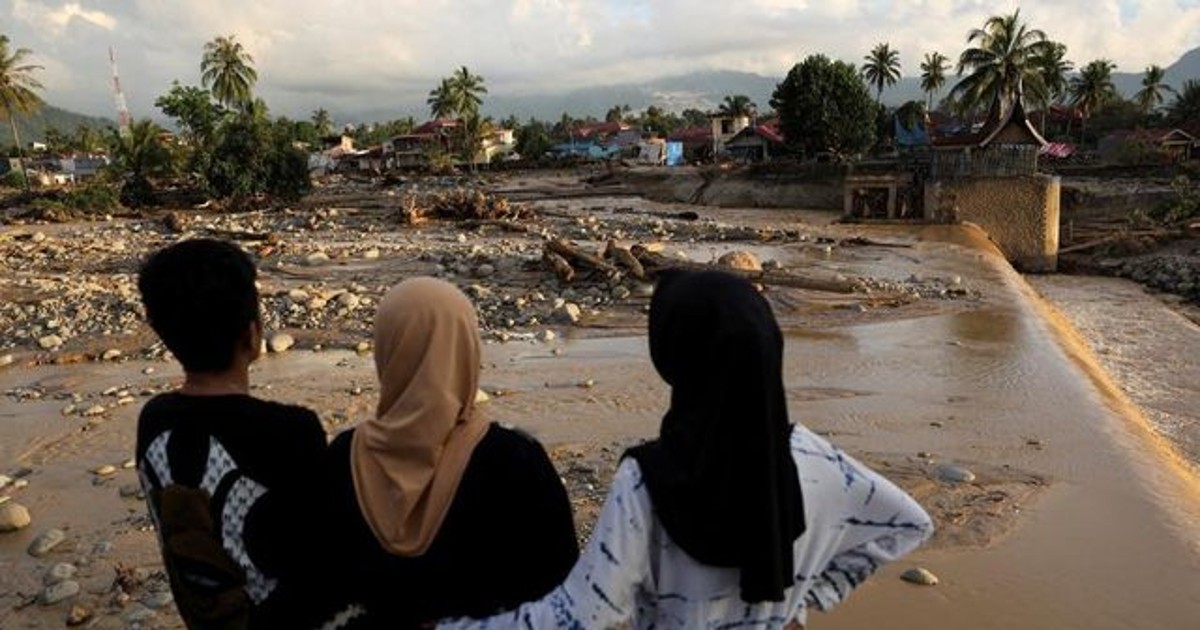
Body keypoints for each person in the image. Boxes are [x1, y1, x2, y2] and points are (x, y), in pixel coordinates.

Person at [439, 270, 934, 630]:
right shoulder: (815, 459)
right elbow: (908, 524)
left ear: (674, 355)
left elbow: (585, 612)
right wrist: (803, 600)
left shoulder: (647, 478)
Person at [318, 277, 578, 628]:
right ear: (468, 351)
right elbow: (563, 596)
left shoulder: (342, 458)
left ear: (387, 351)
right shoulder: (515, 462)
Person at [134, 239, 329, 628]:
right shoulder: (293, 431)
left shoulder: (154, 421)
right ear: (252, 332)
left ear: (162, 333)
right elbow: (320, 557)